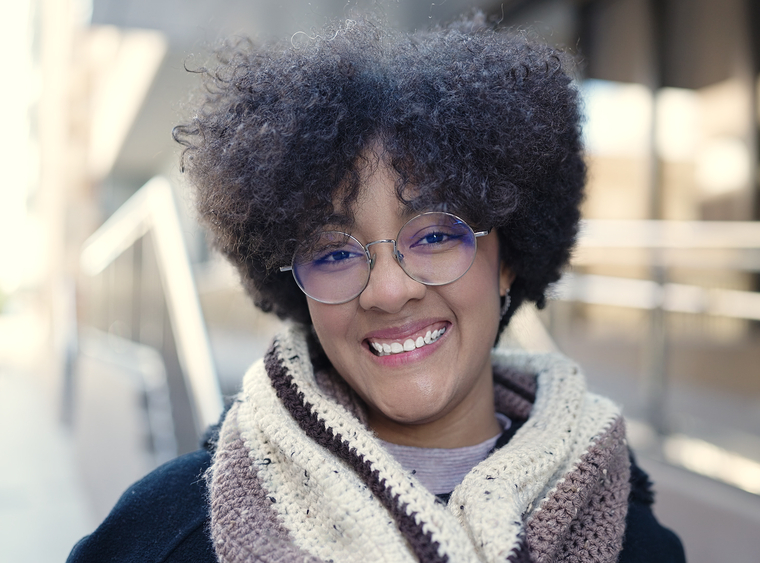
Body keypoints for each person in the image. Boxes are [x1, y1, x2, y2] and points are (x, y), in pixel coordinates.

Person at [68, 13, 685, 563]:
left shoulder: (636, 540)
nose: (389, 291)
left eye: (436, 236)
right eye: (336, 251)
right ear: (296, 286)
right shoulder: (170, 533)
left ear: (508, 259)